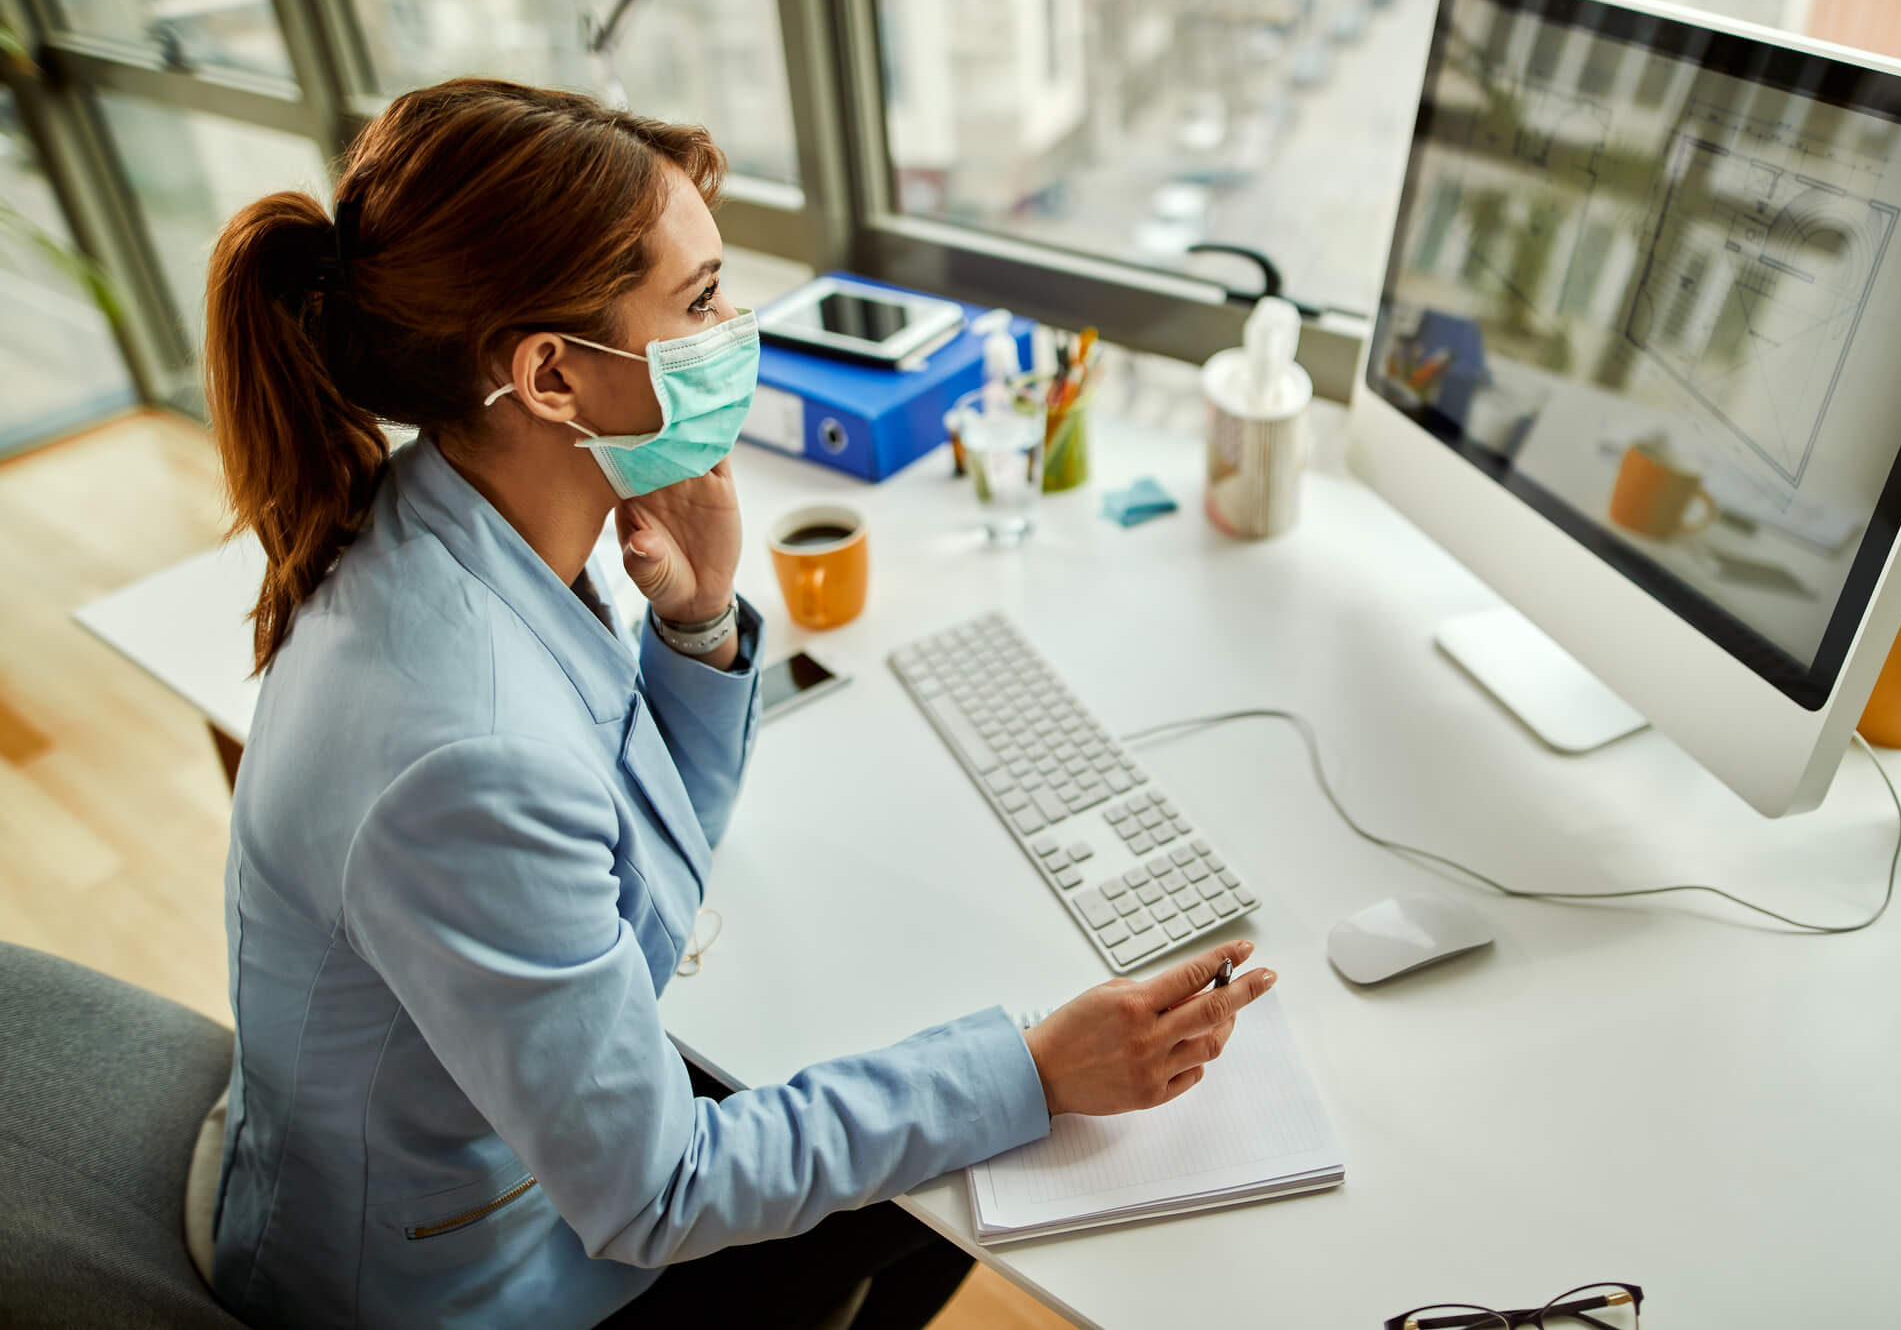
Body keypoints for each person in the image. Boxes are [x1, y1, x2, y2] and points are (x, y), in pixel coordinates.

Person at [200, 77, 1275, 1330]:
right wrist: (1036, 1068)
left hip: (510, 1161)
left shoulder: (458, 517)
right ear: (551, 376)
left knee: (935, 1105)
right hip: (468, 1289)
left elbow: (635, 872)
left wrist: (699, 622)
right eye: (701, 301)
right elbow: (655, 1194)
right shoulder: (461, 750)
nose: (735, 331)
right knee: (974, 1163)